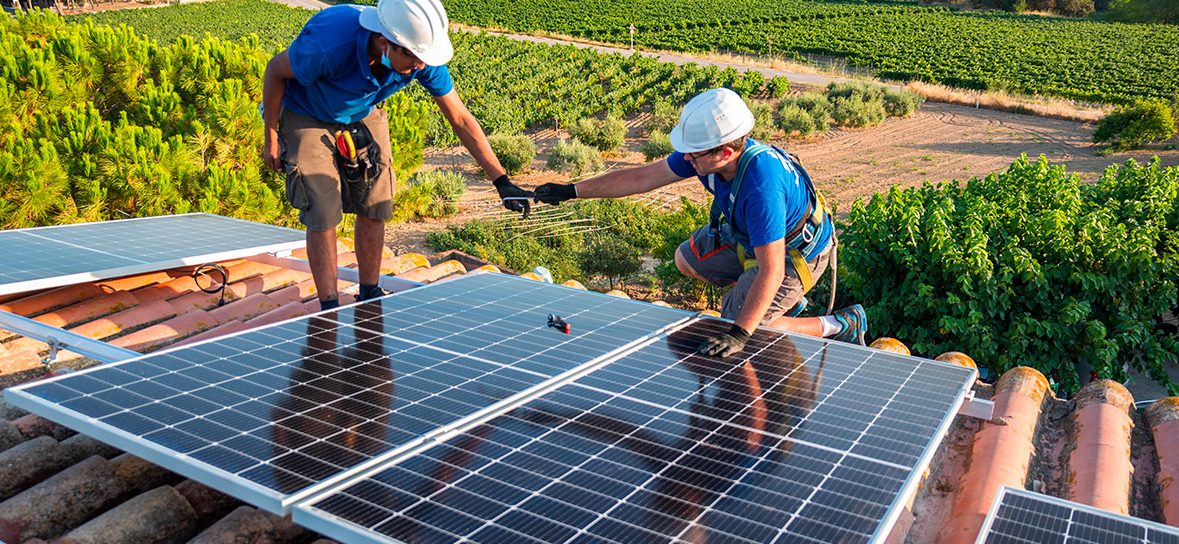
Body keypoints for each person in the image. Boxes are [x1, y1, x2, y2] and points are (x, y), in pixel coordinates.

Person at [534, 88, 867, 357]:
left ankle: (838, 324)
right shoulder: (707, 155)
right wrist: (571, 190)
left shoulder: (761, 188)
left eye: (694, 154)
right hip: (750, 238)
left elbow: (773, 270)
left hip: (795, 255)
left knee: (744, 325)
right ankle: (762, 301)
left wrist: (739, 332)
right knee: (685, 259)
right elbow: (640, 178)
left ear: (724, 152)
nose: (687, 160)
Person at [261, 0, 530, 310]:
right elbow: (275, 71)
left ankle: (370, 292)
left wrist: (501, 180)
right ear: (386, 42)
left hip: (361, 109)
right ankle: (330, 306)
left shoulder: (421, 56)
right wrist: (271, 136)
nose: (420, 66)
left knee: (375, 201)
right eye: (414, 58)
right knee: (322, 210)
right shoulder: (330, 43)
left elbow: (460, 118)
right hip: (306, 111)